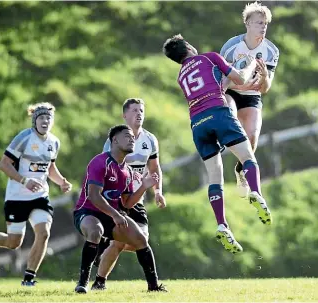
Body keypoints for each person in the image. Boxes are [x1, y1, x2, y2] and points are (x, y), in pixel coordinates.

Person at [163, 34, 272, 253]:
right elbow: (240, 78)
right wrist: (251, 62)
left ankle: (222, 224)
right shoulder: (209, 57)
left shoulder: (181, 76)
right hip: (218, 113)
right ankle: (256, 193)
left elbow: (214, 84)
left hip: (197, 123)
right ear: (189, 46)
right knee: (248, 156)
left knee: (215, 175)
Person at [0, 102, 72, 286]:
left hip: (40, 197)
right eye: (41, 117)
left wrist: (62, 182)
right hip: (17, 197)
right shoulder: (24, 138)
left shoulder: (54, 142)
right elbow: (4, 164)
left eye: (49, 118)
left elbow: (50, 167)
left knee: (43, 233)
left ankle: (29, 278)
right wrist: (25, 181)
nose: (45, 121)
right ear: (35, 120)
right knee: (13, 242)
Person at [73, 124, 167, 293]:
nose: (132, 139)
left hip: (112, 215)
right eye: (127, 136)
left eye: (133, 137)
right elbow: (94, 196)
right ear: (114, 140)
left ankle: (154, 287)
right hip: (88, 212)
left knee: (141, 240)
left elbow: (127, 203)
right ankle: (82, 283)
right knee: (95, 231)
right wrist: (115, 215)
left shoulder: (127, 171)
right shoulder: (100, 161)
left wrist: (144, 186)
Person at [92, 98, 166, 290]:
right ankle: (100, 282)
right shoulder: (115, 139)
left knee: (135, 242)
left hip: (136, 199)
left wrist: (158, 191)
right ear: (124, 115)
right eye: (134, 110)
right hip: (118, 200)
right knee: (121, 242)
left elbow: (155, 168)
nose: (139, 113)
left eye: (141, 110)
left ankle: (104, 248)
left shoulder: (150, 140)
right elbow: (105, 167)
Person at [220, 1, 280, 197]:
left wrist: (263, 78)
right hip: (232, 91)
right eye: (258, 23)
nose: (262, 27)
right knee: (229, 116)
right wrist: (231, 86)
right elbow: (222, 79)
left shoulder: (271, 51)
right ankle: (219, 138)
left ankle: (240, 171)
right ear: (247, 23)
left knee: (252, 136)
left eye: (265, 23)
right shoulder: (231, 46)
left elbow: (266, 88)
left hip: (253, 95)